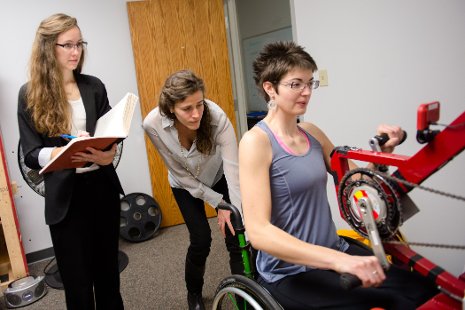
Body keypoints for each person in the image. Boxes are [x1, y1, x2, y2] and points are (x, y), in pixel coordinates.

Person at [238, 41, 438, 309]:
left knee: (420, 290)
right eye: (296, 84)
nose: (306, 92)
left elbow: (355, 183)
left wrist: (382, 154)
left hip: (334, 250)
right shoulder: (256, 142)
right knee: (390, 302)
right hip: (291, 272)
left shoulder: (311, 132)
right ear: (270, 88)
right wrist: (340, 262)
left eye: (310, 83)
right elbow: (259, 232)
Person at [17, 13, 124, 310]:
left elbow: (112, 132)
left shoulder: (94, 86)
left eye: (79, 44)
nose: (76, 51)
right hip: (66, 198)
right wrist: (61, 153)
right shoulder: (29, 95)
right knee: (77, 285)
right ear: (48, 48)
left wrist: (108, 153)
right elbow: (29, 152)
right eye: (67, 45)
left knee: (108, 279)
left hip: (102, 190)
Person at [143, 70, 243, 310]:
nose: (196, 113)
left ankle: (244, 296)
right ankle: (194, 294)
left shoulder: (217, 119)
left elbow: (233, 172)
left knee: (236, 238)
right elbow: (178, 172)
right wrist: (218, 203)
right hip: (184, 183)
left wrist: (237, 216)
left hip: (219, 177)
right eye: (187, 108)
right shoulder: (152, 124)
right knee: (200, 240)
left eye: (199, 104)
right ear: (170, 108)